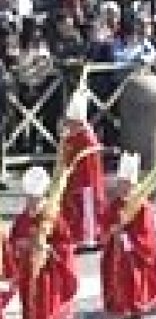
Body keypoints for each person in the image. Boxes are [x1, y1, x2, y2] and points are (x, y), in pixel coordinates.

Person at [8, 167, 79, 319]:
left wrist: (48, 248)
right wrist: (20, 245)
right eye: (29, 198)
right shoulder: (22, 218)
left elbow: (65, 242)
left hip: (46, 268)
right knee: (27, 299)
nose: (31, 202)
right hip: (26, 265)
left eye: (35, 199)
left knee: (44, 298)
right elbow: (13, 239)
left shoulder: (51, 217)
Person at [99, 153, 156, 319]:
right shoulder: (115, 203)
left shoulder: (141, 206)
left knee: (132, 281)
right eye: (120, 183)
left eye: (125, 184)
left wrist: (126, 235)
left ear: (133, 185)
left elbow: (146, 232)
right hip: (116, 250)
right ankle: (121, 309)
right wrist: (110, 229)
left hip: (133, 253)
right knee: (117, 280)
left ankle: (134, 311)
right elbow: (105, 220)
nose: (121, 187)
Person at [60, 91, 106, 252]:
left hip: (86, 182)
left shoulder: (87, 138)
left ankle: (89, 238)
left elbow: (84, 162)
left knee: (87, 210)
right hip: (75, 179)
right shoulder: (73, 136)